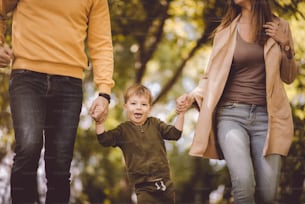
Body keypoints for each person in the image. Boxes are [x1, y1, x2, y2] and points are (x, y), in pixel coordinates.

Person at [176, 0, 298, 203]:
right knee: (243, 183)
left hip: (267, 119)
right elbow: (210, 77)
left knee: (268, 195)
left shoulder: (280, 26)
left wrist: (285, 44)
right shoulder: (225, 31)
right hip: (231, 116)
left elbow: (289, 76)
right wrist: (192, 96)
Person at [0, 0, 114, 203]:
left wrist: (104, 91)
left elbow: (102, 42)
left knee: (60, 166)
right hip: (27, 77)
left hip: (69, 84)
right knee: (28, 148)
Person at [95, 84, 184, 204]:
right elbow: (104, 140)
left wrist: (181, 114)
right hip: (143, 187)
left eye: (143, 104)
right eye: (133, 103)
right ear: (125, 107)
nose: (138, 108)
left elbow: (175, 134)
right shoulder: (123, 130)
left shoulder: (155, 124)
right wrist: (99, 122)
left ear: (149, 109)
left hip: (165, 184)